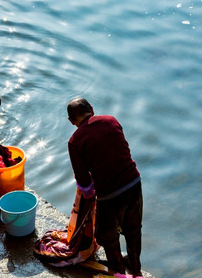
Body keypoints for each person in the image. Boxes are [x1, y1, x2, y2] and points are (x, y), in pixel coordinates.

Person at [66, 98, 143, 277]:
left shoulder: (75, 141)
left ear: (71, 121)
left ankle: (118, 270)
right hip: (134, 182)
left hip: (110, 194)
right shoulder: (111, 120)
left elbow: (85, 184)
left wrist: (88, 192)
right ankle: (135, 266)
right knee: (133, 228)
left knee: (105, 235)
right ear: (91, 109)